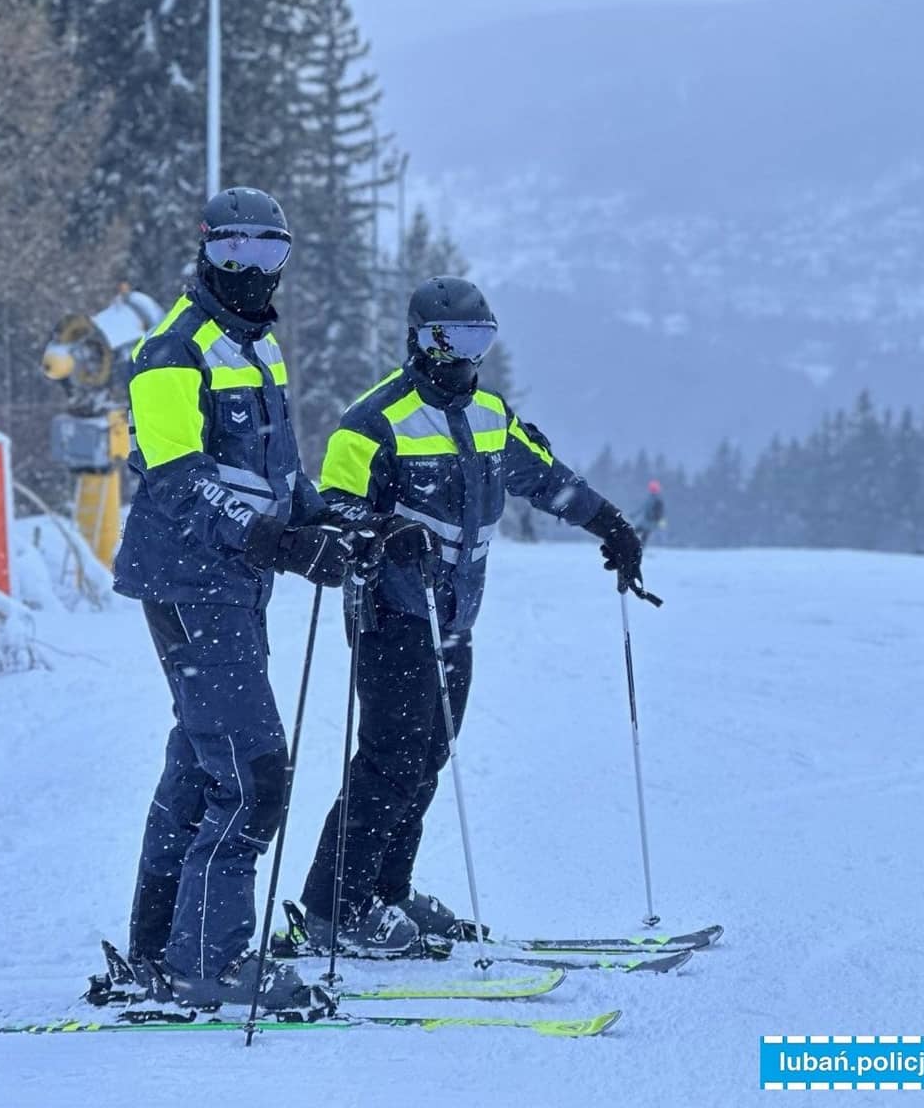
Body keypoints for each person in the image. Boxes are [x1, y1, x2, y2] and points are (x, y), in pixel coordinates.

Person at [294, 275, 645, 956]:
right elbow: (327, 511)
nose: (463, 356)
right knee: (390, 760)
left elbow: (545, 477)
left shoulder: (489, 413)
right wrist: (384, 530)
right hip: (392, 611)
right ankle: (335, 908)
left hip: (456, 617)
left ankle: (385, 892)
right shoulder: (372, 421)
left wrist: (610, 524)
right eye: (448, 340)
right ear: (419, 341)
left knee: (428, 756)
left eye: (477, 340)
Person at [114, 187, 382, 1008]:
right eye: (234, 252)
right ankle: (209, 961)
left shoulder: (257, 350)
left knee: (202, 762)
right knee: (254, 769)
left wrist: (339, 520)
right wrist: (278, 541)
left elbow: (274, 477)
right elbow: (182, 479)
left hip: (232, 581)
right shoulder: (172, 352)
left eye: (269, 254)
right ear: (204, 250)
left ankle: (159, 948)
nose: (251, 270)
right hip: (191, 578)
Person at [634, 479, 666, 545]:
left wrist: (658, 519)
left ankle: (640, 549)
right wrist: (634, 514)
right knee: (637, 532)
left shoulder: (657, 499)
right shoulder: (650, 498)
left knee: (643, 535)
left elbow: (660, 512)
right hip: (646, 520)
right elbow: (643, 507)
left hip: (651, 521)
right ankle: (634, 547)